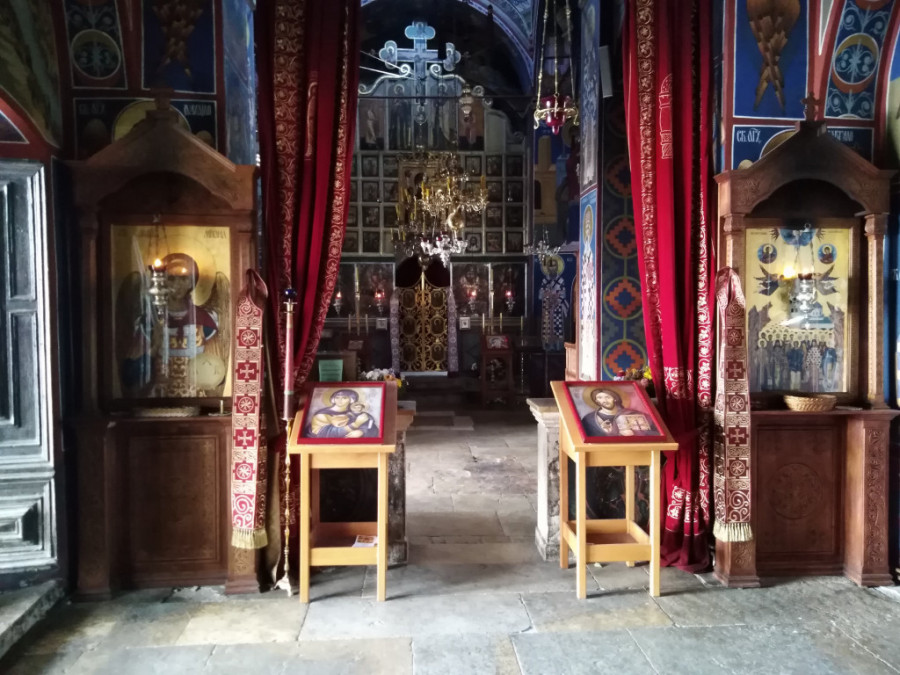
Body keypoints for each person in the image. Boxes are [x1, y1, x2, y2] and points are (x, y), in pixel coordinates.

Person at [580, 387, 656, 437]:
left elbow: (653, 432)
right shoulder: (590, 419)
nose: (604, 400)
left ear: (615, 398)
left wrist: (634, 433)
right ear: (596, 401)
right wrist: (609, 433)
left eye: (607, 397)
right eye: (600, 398)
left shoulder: (632, 413)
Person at [306, 389, 375, 439]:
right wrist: (355, 424)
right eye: (337, 397)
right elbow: (324, 434)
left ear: (352, 400)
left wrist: (362, 432)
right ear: (333, 399)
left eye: (344, 398)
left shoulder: (354, 413)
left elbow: (371, 427)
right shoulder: (322, 414)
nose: (340, 400)